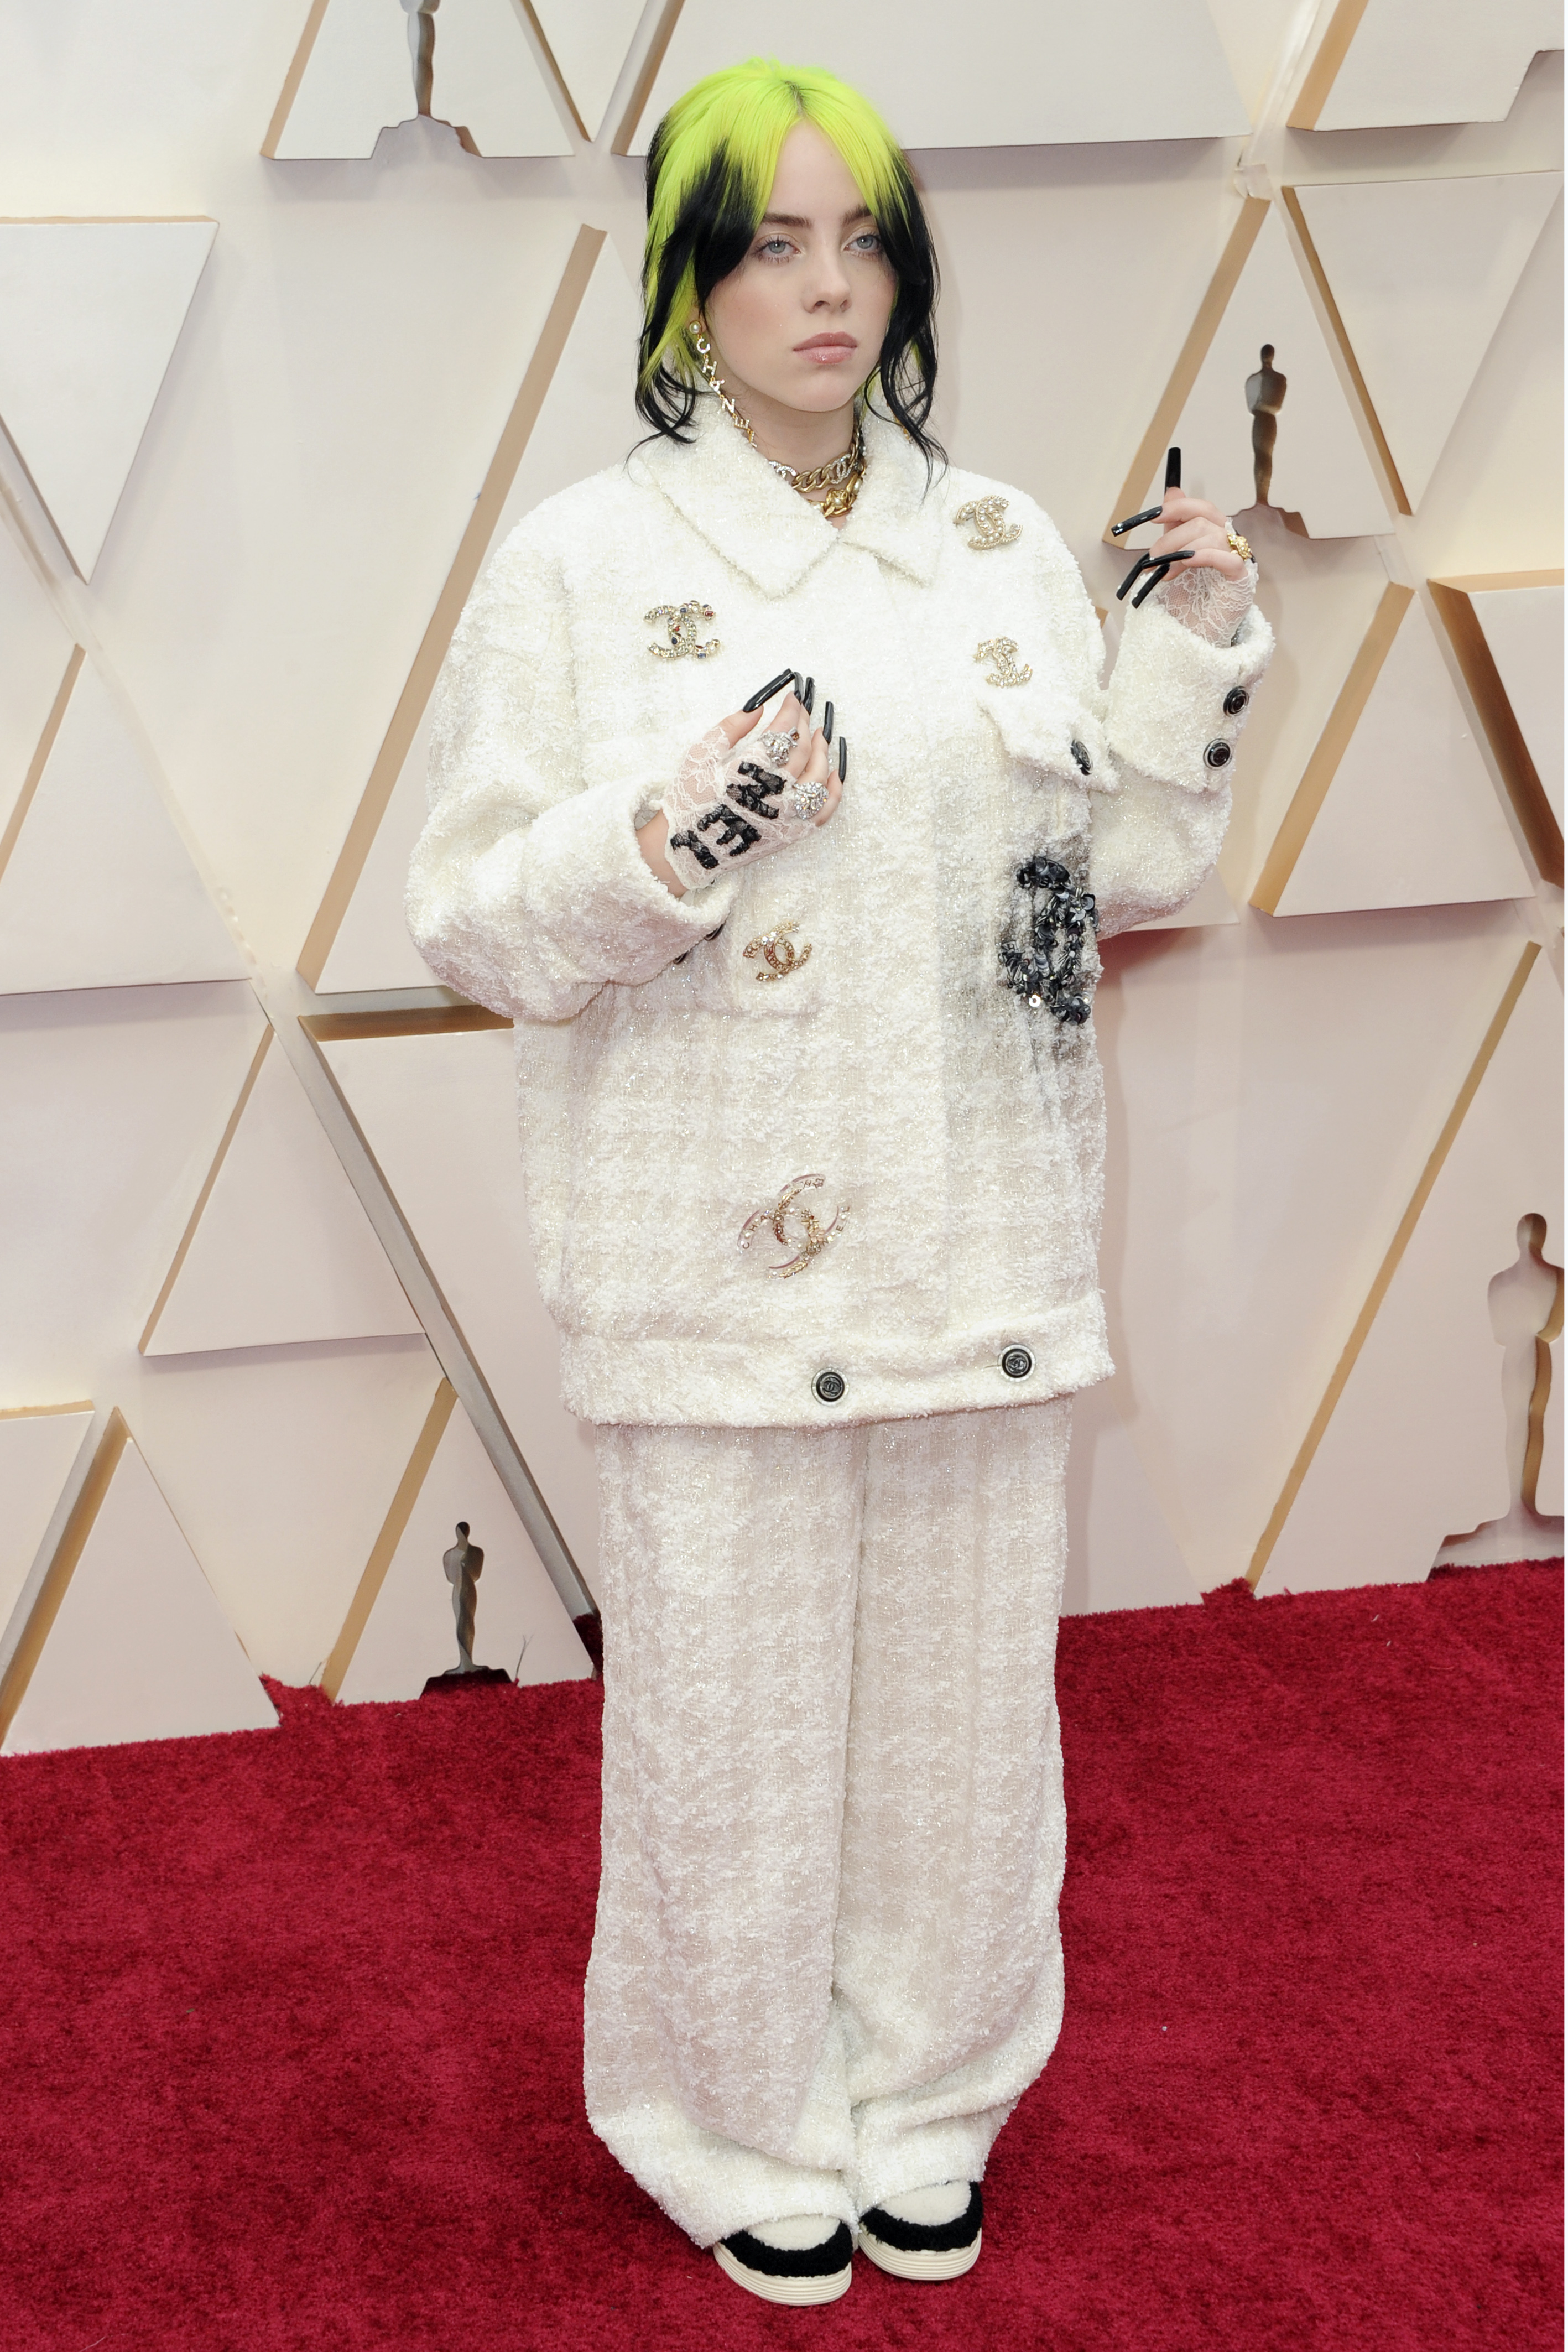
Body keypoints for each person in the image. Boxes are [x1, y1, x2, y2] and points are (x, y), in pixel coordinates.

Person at [407, 57, 1270, 2309]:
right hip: (713, 1253)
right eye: (769, 240)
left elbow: (1126, 872)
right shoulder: (582, 563)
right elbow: (478, 919)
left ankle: (932, 2094)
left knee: (969, 1729)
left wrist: (1179, 649)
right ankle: (723, 2118)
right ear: (686, 281)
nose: (823, 286)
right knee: (732, 1732)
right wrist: (674, 834)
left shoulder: (988, 545)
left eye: (861, 238)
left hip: (978, 1234)